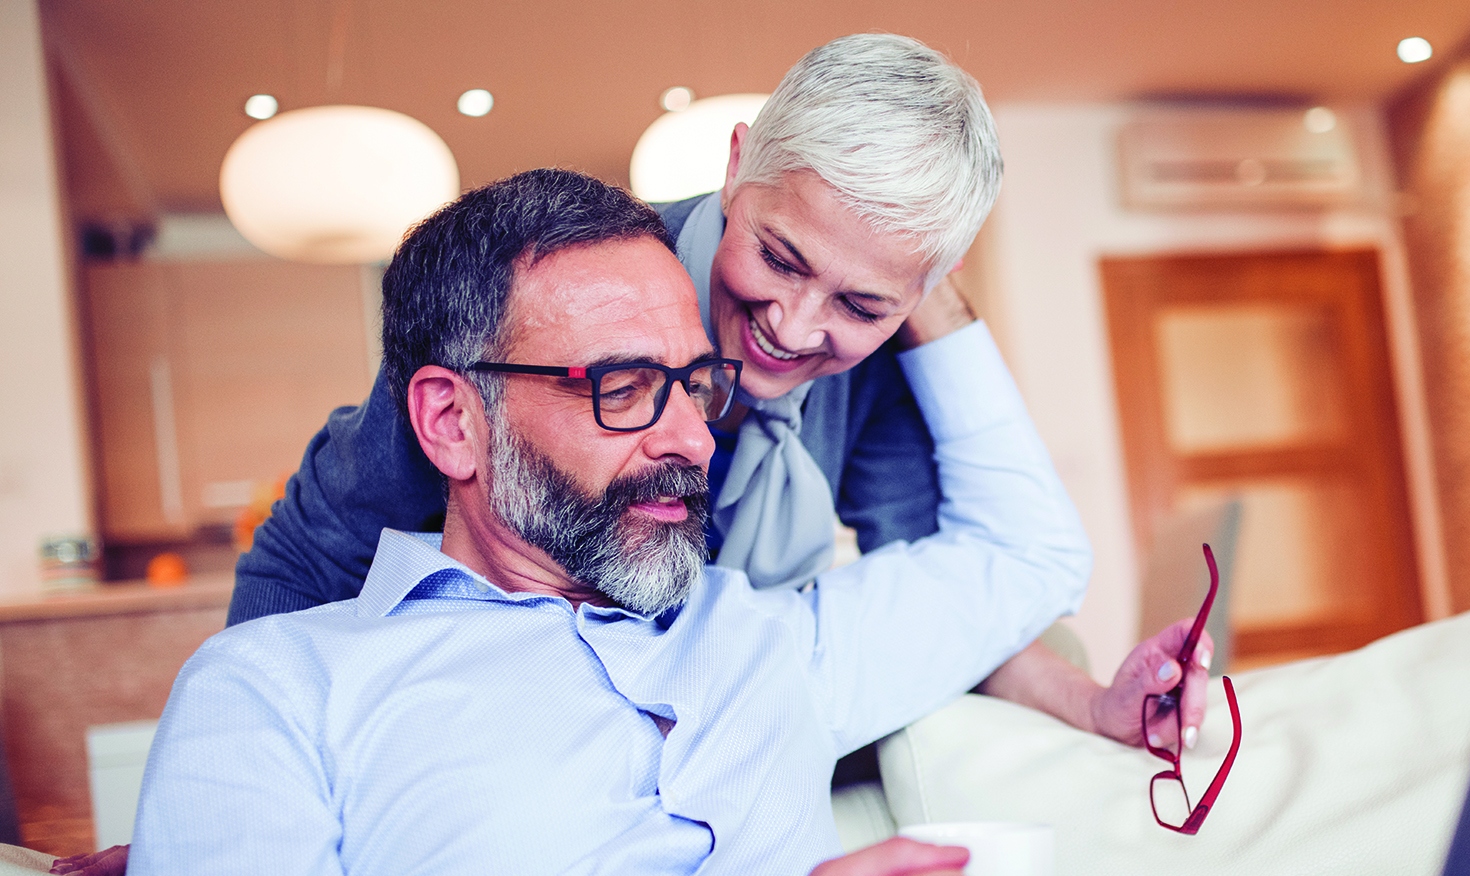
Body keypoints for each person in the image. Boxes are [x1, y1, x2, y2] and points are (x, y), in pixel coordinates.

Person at [104, 168, 1094, 876]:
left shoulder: (765, 639)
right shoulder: (277, 689)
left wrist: (917, 272)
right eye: (622, 388)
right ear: (454, 423)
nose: (691, 440)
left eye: (698, 385)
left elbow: (1028, 556)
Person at [231, 32, 1210, 751]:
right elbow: (315, 549)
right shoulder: (572, 296)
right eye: (779, 258)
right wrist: (251, 784)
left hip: (725, 738)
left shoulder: (873, 372)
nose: (793, 327)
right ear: (738, 165)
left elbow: (950, 596)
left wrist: (1092, 707)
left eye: (863, 302)